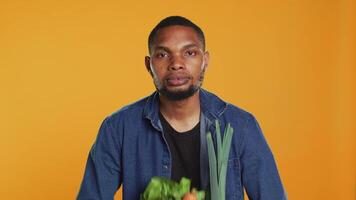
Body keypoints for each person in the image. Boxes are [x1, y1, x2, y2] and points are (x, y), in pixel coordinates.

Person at [77, 16, 287, 200]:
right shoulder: (118, 128)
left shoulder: (241, 126)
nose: (176, 63)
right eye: (163, 54)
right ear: (148, 65)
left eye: (189, 53)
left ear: (205, 61)